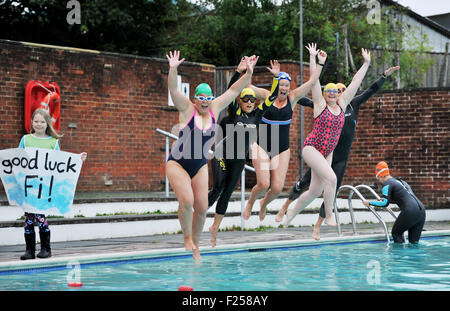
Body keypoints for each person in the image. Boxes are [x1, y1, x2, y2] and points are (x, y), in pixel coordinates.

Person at [276, 65, 400, 240]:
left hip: (335, 157)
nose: (339, 93)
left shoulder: (352, 104)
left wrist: (383, 74)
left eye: (341, 90)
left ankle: (315, 225)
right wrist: (289, 94)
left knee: (322, 190)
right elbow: (307, 96)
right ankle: (286, 208)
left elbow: (366, 87)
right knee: (305, 182)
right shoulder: (324, 105)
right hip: (318, 151)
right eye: (335, 90)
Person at [165, 50, 258, 261]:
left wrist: (248, 74)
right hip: (177, 163)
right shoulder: (187, 109)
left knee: (202, 207)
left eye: (208, 98)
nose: (205, 102)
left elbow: (235, 90)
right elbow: (173, 89)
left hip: (198, 165)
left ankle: (196, 244)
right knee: (187, 201)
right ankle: (187, 238)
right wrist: (173, 69)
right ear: (195, 99)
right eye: (201, 98)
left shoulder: (215, 107)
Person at [283, 43, 371, 228]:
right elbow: (314, 81)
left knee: (315, 191)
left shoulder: (343, 105)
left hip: (327, 152)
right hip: (312, 148)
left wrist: (366, 63)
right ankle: (330, 215)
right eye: (328, 91)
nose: (332, 93)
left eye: (334, 91)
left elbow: (355, 82)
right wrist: (315, 59)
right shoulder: (320, 105)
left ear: (339, 94)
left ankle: (291, 213)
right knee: (331, 179)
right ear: (324, 94)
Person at [242, 48, 329, 221]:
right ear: (276, 85)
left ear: (289, 88)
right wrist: (248, 69)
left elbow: (312, 82)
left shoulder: (293, 98)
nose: (283, 88)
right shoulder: (266, 95)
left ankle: (263, 204)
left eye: (286, 86)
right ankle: (251, 202)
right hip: (262, 145)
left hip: (282, 148)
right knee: (263, 183)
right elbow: (247, 87)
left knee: (276, 188)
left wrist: (320, 62)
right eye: (281, 85)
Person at [208, 58, 280, 247]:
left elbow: (271, 98)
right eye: (245, 98)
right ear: (240, 101)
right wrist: (239, 72)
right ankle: (197, 214)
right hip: (222, 154)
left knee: (227, 192)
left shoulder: (257, 115)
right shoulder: (234, 111)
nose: (248, 101)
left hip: (238, 160)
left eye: (251, 99)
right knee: (218, 186)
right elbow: (232, 89)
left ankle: (214, 228)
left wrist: (276, 78)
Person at [19, 108, 87, 260]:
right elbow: (16, 160)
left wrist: (77, 159)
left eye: (42, 121)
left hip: (44, 187)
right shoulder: (26, 140)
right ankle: (29, 250)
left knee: (40, 216)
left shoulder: (53, 142)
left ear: (47, 124)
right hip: (28, 186)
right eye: (36, 121)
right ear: (31, 122)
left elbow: (60, 163)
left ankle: (46, 249)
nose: (39, 124)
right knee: (28, 218)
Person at [363, 161, 426, 243]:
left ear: (380, 175)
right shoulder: (400, 181)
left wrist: (369, 203)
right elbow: (404, 197)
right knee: (414, 243)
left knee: (396, 233)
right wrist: (388, 200)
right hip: (421, 211)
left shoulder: (387, 184)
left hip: (410, 211)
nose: (379, 181)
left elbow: (385, 203)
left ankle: (399, 256)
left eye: (378, 178)